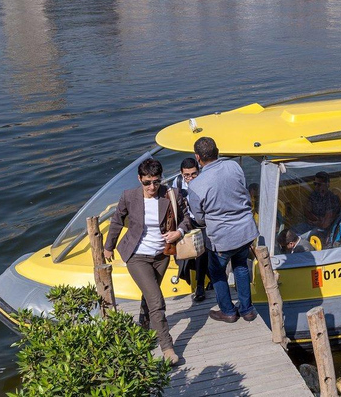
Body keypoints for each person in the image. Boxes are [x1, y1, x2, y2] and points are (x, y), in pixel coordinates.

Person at [103, 158, 190, 365]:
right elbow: (116, 221)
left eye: (156, 182)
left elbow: (187, 218)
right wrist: (108, 247)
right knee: (156, 301)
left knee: (150, 295)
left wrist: (178, 232)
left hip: (162, 256)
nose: (152, 187)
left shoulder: (171, 195)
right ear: (139, 179)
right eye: (147, 182)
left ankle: (143, 326)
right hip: (136, 255)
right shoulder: (129, 196)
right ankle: (167, 347)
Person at [187, 137, 259, 324]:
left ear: (197, 157)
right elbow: (243, 190)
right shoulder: (234, 167)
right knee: (241, 266)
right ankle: (247, 309)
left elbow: (199, 217)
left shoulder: (195, 185)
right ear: (217, 151)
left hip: (221, 237)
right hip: (245, 230)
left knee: (218, 272)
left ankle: (228, 310)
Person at [172, 157, 208, 302]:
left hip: (203, 222)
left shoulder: (205, 182)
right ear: (181, 174)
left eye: (194, 174)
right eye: (187, 175)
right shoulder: (178, 183)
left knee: (201, 253)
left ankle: (200, 286)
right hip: (187, 220)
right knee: (180, 255)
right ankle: (198, 277)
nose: (190, 178)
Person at [291, 171, 341, 239]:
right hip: (312, 225)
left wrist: (314, 222)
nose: (316, 187)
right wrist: (318, 220)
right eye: (315, 184)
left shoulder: (332, 199)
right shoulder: (314, 194)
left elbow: (325, 225)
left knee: (296, 238)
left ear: (327, 184)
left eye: (319, 184)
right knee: (291, 232)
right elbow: (307, 211)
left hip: (324, 231)